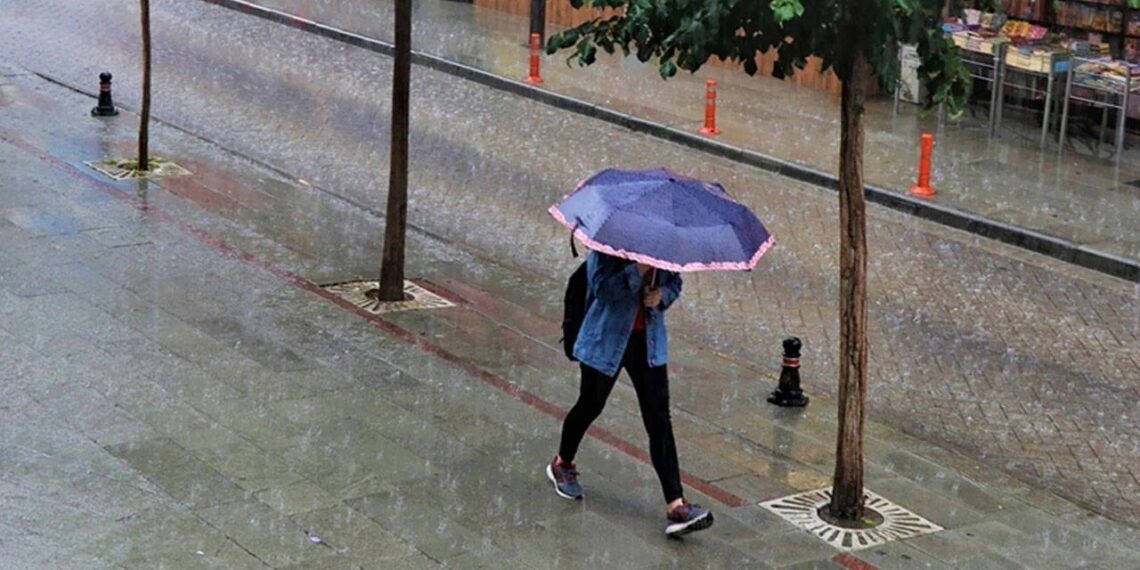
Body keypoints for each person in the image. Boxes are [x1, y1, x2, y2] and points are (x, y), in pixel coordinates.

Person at [546, 250, 714, 536]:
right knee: (590, 404)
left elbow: (675, 283)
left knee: (659, 420)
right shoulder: (607, 248)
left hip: (648, 343)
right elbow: (603, 289)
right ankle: (563, 462)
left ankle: (676, 504)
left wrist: (661, 295)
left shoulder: (661, 245)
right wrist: (637, 270)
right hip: (605, 340)